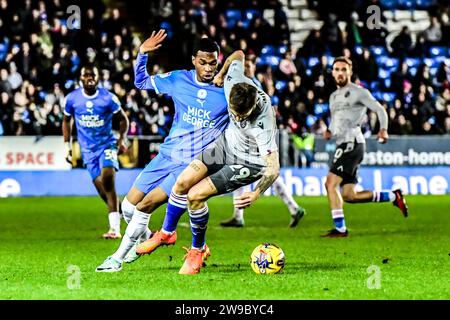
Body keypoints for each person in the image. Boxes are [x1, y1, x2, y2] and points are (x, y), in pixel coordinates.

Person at [95, 30, 230, 272]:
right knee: (128, 207)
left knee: (144, 206)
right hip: (166, 155)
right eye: (203, 63)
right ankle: (154, 235)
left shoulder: (227, 90)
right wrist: (142, 54)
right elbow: (142, 82)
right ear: (193, 61)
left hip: (191, 165)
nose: (209, 68)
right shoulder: (179, 79)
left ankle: (117, 259)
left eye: (213, 63)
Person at [136, 50, 280, 275]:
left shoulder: (264, 122)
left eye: (244, 115)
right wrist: (222, 73)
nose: (239, 118)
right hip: (224, 146)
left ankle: (197, 250)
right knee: (183, 181)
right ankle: (166, 232)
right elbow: (238, 54)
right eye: (235, 113)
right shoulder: (234, 81)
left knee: (195, 195)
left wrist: (257, 193)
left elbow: (273, 167)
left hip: (248, 162)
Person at [322, 57, 408, 238]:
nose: (340, 73)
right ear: (332, 72)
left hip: (352, 143)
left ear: (350, 72)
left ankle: (340, 229)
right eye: (337, 69)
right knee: (349, 195)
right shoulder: (333, 96)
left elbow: (380, 110)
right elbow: (337, 119)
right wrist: (329, 131)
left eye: (344, 69)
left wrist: (383, 129)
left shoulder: (359, 92)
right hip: (342, 144)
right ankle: (394, 196)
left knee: (330, 183)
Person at [220, 54, 306, 228]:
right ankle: (292, 208)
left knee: (253, 170)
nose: (247, 69)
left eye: (250, 66)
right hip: (244, 138)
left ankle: (291, 208)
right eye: (246, 66)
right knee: (245, 172)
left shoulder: (255, 89)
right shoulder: (237, 81)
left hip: (258, 138)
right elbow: (238, 55)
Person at [62, 64, 129, 239]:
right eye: (86, 75)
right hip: (87, 151)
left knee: (108, 179)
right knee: (103, 191)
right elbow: (66, 121)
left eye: (93, 74)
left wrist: (122, 140)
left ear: (99, 77)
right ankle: (132, 217)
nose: (90, 77)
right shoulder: (72, 99)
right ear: (81, 78)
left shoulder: (108, 98)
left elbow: (123, 119)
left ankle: (114, 229)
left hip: (107, 145)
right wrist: (68, 147)